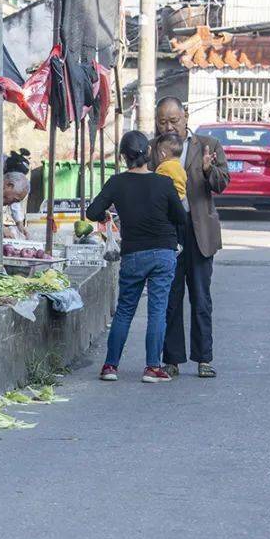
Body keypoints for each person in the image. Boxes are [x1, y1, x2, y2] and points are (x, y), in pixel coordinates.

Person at [85, 130, 185, 384]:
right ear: (149, 152)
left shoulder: (117, 183)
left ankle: (110, 366)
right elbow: (181, 218)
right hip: (163, 253)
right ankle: (152, 367)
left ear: (122, 157)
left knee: (125, 310)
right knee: (157, 310)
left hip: (134, 254)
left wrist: (107, 214)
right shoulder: (164, 183)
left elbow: (92, 211)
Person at [151, 96, 230, 379]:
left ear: (185, 116)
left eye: (174, 120)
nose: (169, 126)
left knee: (201, 298)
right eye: (163, 121)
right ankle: (171, 359)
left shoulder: (208, 146)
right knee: (171, 298)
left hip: (199, 232)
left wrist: (209, 170)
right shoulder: (154, 149)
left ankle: (204, 358)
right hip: (169, 232)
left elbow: (222, 183)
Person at [154, 132, 188, 209]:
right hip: (181, 200)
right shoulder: (181, 168)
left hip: (168, 202)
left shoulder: (163, 167)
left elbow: (157, 184)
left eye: (158, 154)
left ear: (163, 154)